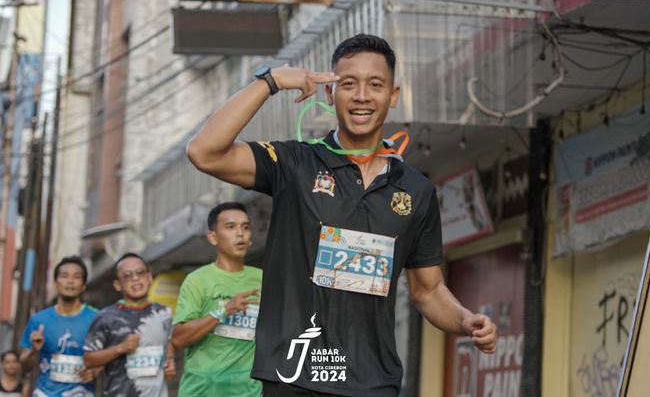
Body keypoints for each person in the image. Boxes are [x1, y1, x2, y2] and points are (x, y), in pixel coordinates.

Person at [187, 33, 498, 396]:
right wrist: (270, 82)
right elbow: (204, 152)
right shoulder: (295, 164)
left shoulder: (417, 190)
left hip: (373, 382)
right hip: (294, 377)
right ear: (330, 93)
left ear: (393, 95)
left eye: (376, 84)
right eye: (349, 84)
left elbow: (427, 290)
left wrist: (465, 320)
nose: (362, 95)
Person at [171, 202, 263, 396]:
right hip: (202, 391)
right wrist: (223, 311)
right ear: (213, 237)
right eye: (230, 227)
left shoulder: (263, 279)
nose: (240, 233)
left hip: (248, 391)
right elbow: (178, 338)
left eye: (245, 227)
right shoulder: (197, 280)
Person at [83, 252, 176, 396]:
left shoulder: (165, 312)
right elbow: (89, 360)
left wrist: (169, 360)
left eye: (140, 273)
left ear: (150, 277)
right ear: (117, 285)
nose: (135, 279)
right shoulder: (106, 317)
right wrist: (119, 349)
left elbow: (168, 339)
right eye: (127, 276)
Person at [19, 256, 98, 397]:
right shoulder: (39, 320)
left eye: (76, 277)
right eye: (64, 276)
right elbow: (25, 366)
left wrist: (97, 370)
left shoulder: (96, 318)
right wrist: (33, 351)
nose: (70, 281)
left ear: (83, 286)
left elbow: (110, 356)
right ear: (56, 282)